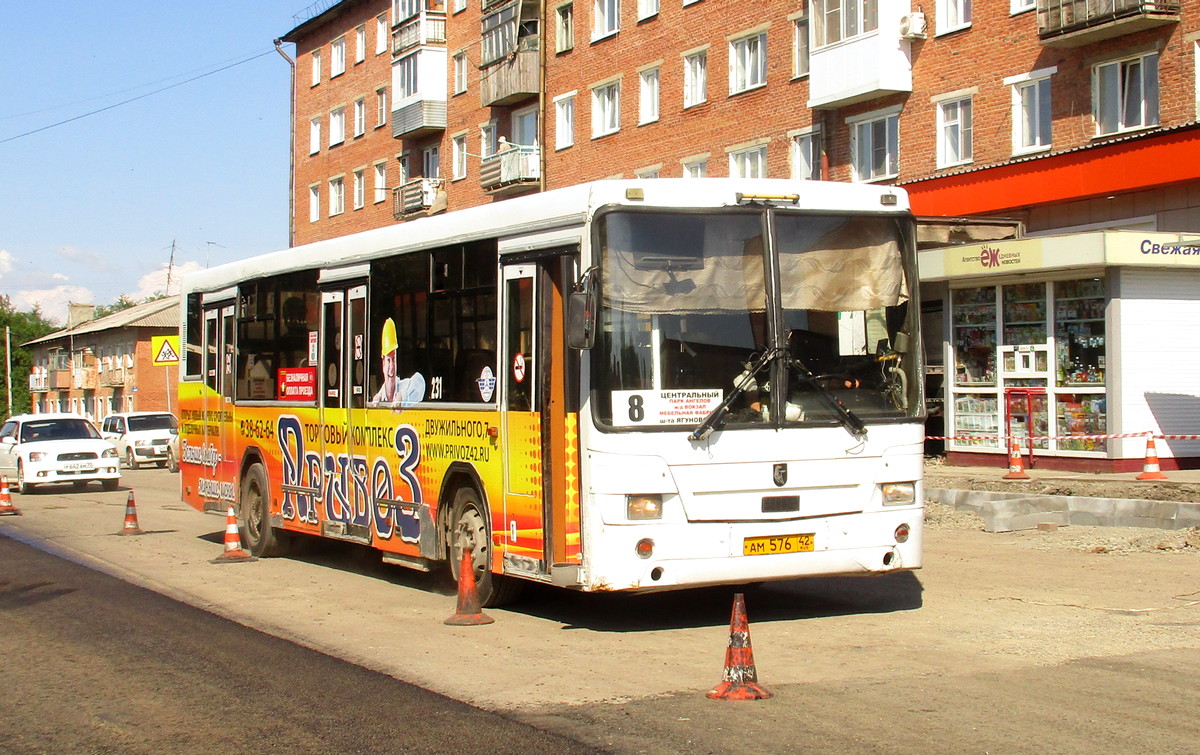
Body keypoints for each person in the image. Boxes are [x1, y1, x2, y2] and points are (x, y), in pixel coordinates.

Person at [372, 317, 426, 407]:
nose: (392, 367)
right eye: (388, 361)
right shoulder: (378, 399)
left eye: (394, 359)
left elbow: (420, 381)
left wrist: (402, 396)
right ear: (383, 364)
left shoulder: (406, 386)